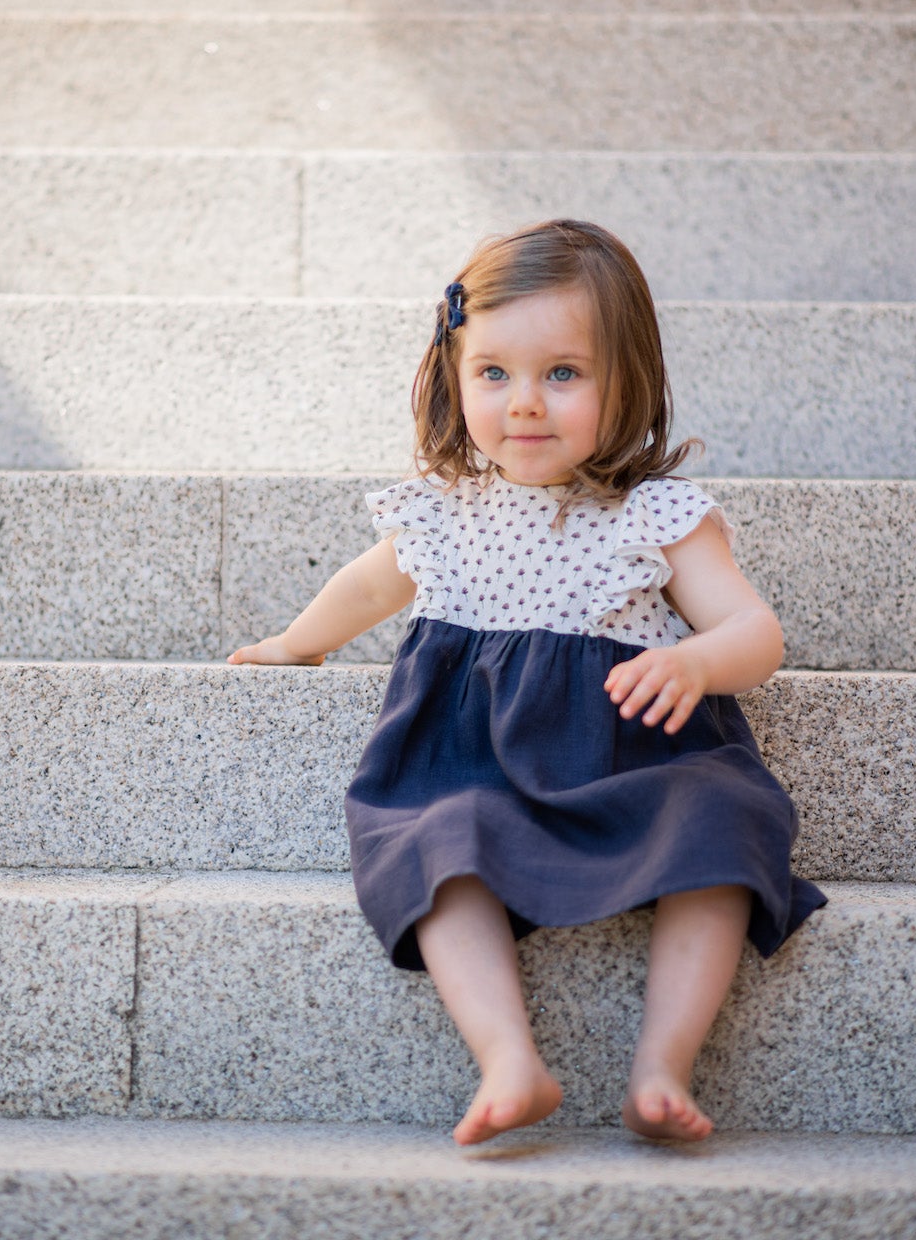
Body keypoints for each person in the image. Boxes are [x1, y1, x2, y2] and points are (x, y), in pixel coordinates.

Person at [229, 219, 825, 1146]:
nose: (525, 405)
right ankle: (508, 1059)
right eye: (494, 374)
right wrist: (292, 643)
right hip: (472, 767)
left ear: (626, 379)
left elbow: (756, 630)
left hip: (635, 764)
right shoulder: (444, 510)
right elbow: (365, 587)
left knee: (723, 821)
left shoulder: (655, 515)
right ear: (455, 378)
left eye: (564, 373)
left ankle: (664, 1066)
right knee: (435, 843)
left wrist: (696, 662)